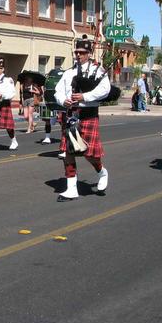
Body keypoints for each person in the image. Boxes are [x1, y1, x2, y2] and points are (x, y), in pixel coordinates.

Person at [54, 36, 110, 201]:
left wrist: (85, 97)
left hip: (88, 114)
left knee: (89, 154)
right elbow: (58, 91)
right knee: (68, 152)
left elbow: (105, 90)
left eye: (82, 52)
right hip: (71, 115)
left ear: (89, 53)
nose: (79, 55)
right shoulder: (69, 72)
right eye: (77, 52)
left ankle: (101, 172)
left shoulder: (97, 71)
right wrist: (63, 100)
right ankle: (71, 188)